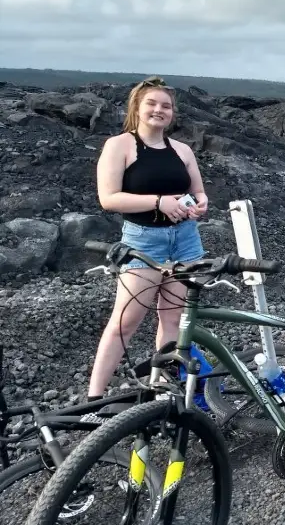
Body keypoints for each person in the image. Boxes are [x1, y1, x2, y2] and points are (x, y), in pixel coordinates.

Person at [86, 76, 209, 402]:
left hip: (186, 241)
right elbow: (108, 198)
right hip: (143, 242)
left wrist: (200, 204)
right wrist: (159, 202)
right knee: (125, 322)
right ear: (137, 108)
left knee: (173, 318)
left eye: (166, 106)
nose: (159, 110)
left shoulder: (181, 150)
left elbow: (197, 191)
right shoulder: (120, 145)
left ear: (172, 113)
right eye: (152, 104)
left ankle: (161, 389)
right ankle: (93, 399)